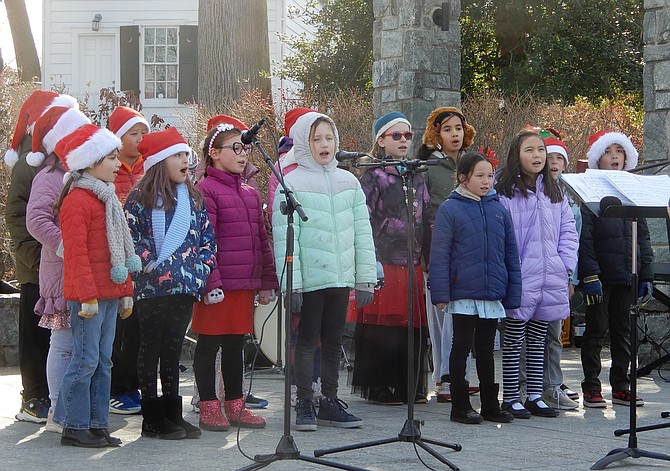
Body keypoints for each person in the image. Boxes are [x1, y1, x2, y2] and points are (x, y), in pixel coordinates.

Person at [272, 112, 377, 431]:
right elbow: (285, 240)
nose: (324, 144)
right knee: (306, 341)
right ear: (305, 142)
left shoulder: (350, 182)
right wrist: (293, 285)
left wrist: (365, 277)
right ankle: (305, 401)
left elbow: (362, 232)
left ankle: (329, 401)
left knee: (333, 342)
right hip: (310, 280)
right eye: (316, 138)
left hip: (340, 277)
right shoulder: (290, 184)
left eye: (329, 138)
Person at [124, 127, 217, 439]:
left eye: (186, 154)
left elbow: (207, 238)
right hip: (152, 288)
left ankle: (172, 414)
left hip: (185, 286)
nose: (185, 160)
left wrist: (201, 270)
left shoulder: (193, 197)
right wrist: (149, 261)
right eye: (178, 155)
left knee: (174, 350)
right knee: (151, 348)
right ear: (161, 161)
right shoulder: (140, 197)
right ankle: (152, 416)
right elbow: (130, 238)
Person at [52, 124, 139, 447]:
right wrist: (86, 295)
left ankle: (97, 423)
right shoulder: (78, 200)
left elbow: (120, 246)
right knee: (86, 360)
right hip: (88, 297)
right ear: (90, 161)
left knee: (104, 361)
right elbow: (76, 255)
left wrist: (126, 290)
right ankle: (74, 425)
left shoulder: (106, 198)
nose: (119, 164)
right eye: (112, 158)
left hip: (109, 293)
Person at [191, 115, 278, 431]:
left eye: (246, 149)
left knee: (235, 345)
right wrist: (210, 282)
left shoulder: (250, 192)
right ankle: (208, 405)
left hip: (243, 284)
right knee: (209, 345)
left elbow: (261, 239)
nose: (243, 154)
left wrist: (267, 280)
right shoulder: (206, 189)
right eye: (236, 148)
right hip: (218, 285)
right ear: (214, 153)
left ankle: (235, 404)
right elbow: (204, 239)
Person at [430, 151, 520, 424]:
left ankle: (491, 404)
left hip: (491, 294)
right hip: (463, 292)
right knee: (461, 347)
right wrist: (441, 294)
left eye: (490, 176)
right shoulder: (450, 208)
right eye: (479, 176)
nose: (486, 181)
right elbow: (440, 253)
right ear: (463, 178)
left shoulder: (498, 209)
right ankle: (460, 405)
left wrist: (512, 293)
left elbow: (510, 253)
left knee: (486, 349)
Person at [5, 90, 79, 424]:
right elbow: (19, 215)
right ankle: (33, 397)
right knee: (36, 334)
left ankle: (60, 398)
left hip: (61, 261)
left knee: (61, 333)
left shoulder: (69, 162)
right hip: (37, 261)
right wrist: (35, 258)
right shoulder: (31, 161)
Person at [350, 111, 433, 405]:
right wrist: (368, 259)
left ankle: (408, 384)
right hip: (383, 262)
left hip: (411, 261)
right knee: (384, 326)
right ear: (381, 140)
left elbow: (425, 218)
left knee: (410, 325)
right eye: (395, 135)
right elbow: (364, 219)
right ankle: (380, 385)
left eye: (407, 136)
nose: (403, 141)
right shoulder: (373, 176)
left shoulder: (417, 175)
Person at [494, 129, 578, 419]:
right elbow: (498, 235)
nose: (537, 156)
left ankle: (533, 395)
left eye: (540, 150)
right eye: (529, 150)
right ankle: (511, 396)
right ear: (516, 155)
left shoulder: (554, 191)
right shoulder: (504, 191)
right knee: (514, 337)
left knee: (539, 337)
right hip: (519, 277)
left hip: (550, 276)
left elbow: (568, 232)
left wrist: (564, 266)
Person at [25, 105, 92, 433]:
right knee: (64, 341)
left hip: (86, 272)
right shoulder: (50, 178)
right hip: (62, 270)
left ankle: (74, 407)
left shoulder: (84, 176)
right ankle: (56, 409)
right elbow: (35, 219)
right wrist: (66, 244)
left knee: (84, 345)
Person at [579, 130, 652, 408]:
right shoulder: (590, 191)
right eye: (608, 152)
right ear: (599, 158)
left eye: (619, 152)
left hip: (626, 275)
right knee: (596, 331)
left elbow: (642, 236)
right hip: (600, 275)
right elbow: (584, 238)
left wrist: (645, 273)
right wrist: (590, 274)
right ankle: (591, 387)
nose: (614, 157)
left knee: (624, 332)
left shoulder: (632, 190)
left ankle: (621, 385)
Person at [416, 106, 477, 402]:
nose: (455, 134)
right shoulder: (428, 169)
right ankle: (443, 378)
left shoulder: (472, 165)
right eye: (448, 129)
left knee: (463, 315)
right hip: (438, 250)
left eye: (459, 128)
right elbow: (423, 213)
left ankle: (461, 375)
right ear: (436, 134)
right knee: (441, 317)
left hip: (468, 250)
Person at [107, 106, 150, 415]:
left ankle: (135, 384)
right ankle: (117, 388)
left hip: (144, 257)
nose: (139, 139)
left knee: (138, 327)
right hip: (116, 256)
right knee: (119, 328)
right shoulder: (108, 167)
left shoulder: (149, 167)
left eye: (143, 133)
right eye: (133, 134)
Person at [540, 131, 581, 410]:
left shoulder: (571, 196)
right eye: (549, 157)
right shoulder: (527, 190)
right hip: (531, 274)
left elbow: (572, 238)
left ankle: (553, 386)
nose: (553, 162)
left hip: (558, 275)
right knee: (525, 336)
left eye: (559, 158)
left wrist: (569, 275)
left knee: (554, 336)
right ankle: (523, 390)